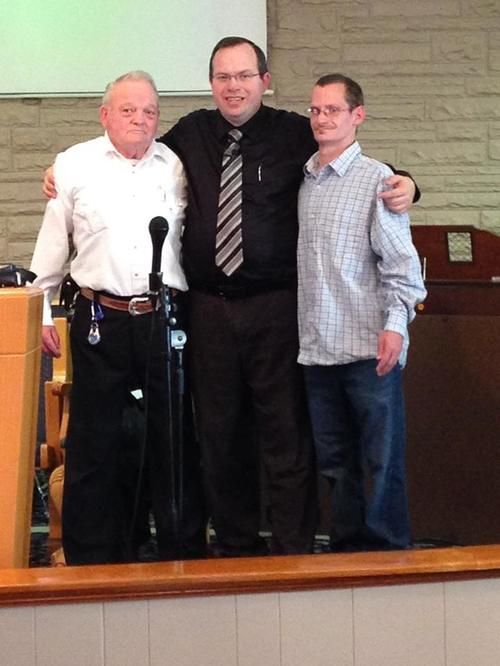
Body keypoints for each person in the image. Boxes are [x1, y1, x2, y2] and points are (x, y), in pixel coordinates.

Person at [43, 38, 419, 557]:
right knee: (219, 435)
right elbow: (132, 150)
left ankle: (290, 551)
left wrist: (407, 182)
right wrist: (62, 173)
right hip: (207, 311)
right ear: (211, 83)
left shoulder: (294, 133)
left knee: (286, 435)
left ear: (264, 81)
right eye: (223, 77)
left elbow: (349, 159)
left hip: (276, 309)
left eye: (244, 76)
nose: (233, 86)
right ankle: (236, 547)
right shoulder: (189, 134)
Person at [31, 71, 206, 565]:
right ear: (105, 115)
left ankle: (179, 551)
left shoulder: (176, 166)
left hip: (163, 318)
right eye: (128, 110)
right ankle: (91, 556)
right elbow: (52, 245)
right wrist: (42, 310)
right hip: (98, 319)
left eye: (149, 111)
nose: (140, 119)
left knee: (172, 440)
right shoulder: (73, 164)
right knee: (95, 441)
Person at [297, 73, 427, 552]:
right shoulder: (304, 180)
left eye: (333, 109)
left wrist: (396, 327)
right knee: (335, 465)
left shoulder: (378, 180)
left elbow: (402, 266)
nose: (322, 119)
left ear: (358, 115)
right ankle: (347, 558)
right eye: (315, 110)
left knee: (381, 463)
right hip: (317, 351)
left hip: (369, 350)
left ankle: (390, 559)